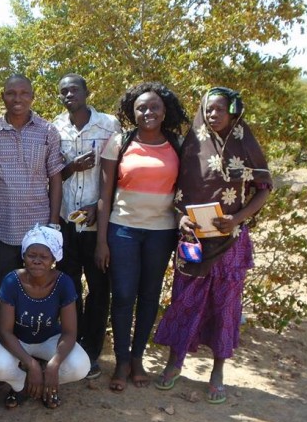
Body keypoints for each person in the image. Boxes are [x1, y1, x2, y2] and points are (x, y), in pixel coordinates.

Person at [154, 87, 272, 404]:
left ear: (232, 111)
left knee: (225, 308)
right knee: (184, 301)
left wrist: (238, 218)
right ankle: (174, 362)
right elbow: (174, 190)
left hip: (230, 242)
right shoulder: (192, 145)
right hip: (193, 239)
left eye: (220, 109)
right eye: (208, 109)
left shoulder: (245, 144)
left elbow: (264, 187)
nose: (213, 114)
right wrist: (180, 218)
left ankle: (217, 371)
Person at [94, 82, 188, 393]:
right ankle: (121, 361)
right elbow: (104, 195)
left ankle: (137, 359)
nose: (149, 112)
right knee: (123, 295)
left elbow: (187, 189)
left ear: (165, 111)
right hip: (123, 229)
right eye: (141, 108)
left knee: (149, 296)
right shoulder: (119, 142)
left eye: (154, 107)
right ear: (132, 112)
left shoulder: (176, 144)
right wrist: (102, 241)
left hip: (162, 232)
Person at [0, 74, 64, 336]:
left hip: (38, 231)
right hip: (2, 229)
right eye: (11, 93)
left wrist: (53, 225)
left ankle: (33, 340)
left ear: (32, 97)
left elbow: (55, 179)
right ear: (2, 96)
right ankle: (1, 343)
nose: (18, 99)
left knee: (37, 290)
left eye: (24, 93)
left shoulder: (48, 131)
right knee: (1, 290)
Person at [53, 74, 120, 380]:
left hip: (97, 224)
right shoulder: (55, 127)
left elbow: (117, 175)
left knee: (99, 289)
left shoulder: (108, 125)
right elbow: (53, 175)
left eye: (74, 89)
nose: (70, 95)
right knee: (70, 288)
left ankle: (92, 352)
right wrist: (72, 166)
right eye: (64, 91)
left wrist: (98, 207)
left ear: (87, 91)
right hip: (67, 220)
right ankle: (73, 347)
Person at [0, 225, 89, 409]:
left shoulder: (63, 283)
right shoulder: (12, 281)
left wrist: (54, 364)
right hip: (17, 340)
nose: (37, 261)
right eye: (31, 255)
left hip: (50, 338)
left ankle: (46, 385)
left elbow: (69, 332)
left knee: (80, 366)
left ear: (54, 259)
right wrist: (31, 365)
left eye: (44, 257)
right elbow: (5, 332)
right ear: (23, 257)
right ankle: (22, 386)